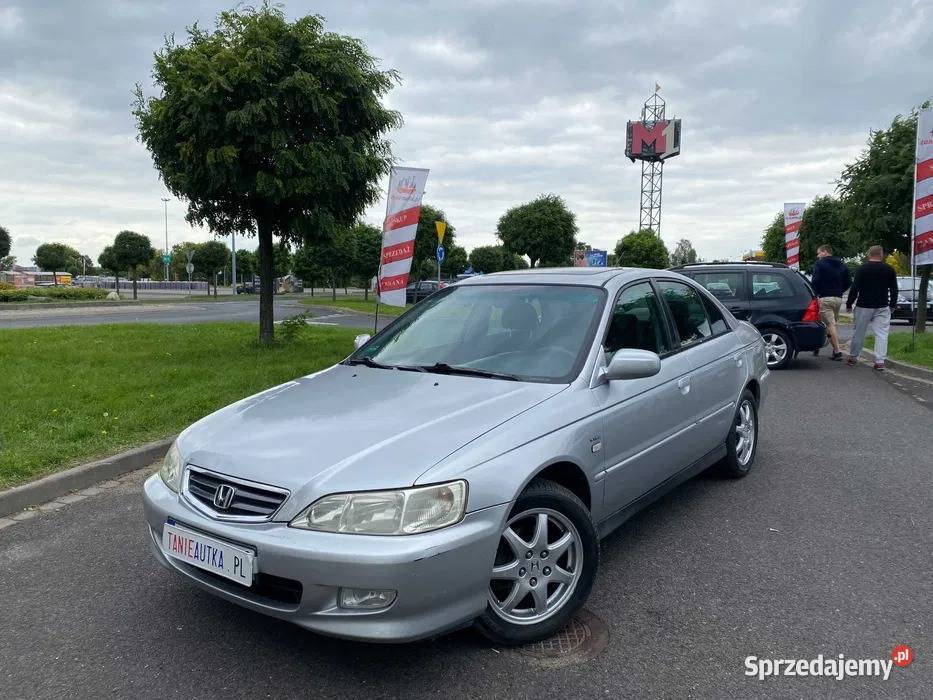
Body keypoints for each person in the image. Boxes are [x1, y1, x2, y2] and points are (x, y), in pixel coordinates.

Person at [846, 245, 899, 371]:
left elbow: (855, 288)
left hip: (864, 305)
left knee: (859, 332)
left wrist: (849, 303)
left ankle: (853, 357)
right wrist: (892, 305)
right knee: (882, 334)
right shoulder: (889, 269)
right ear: (881, 255)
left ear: (869, 255)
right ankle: (880, 361)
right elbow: (894, 289)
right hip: (882, 305)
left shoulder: (862, 269)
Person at [810, 244, 850, 360]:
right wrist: (839, 290)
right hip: (838, 299)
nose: (818, 256)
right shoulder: (842, 264)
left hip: (824, 298)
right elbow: (848, 281)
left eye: (819, 253)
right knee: (832, 324)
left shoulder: (820, 264)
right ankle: (824, 347)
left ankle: (837, 351)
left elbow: (815, 281)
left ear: (825, 252)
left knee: (829, 324)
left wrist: (816, 293)